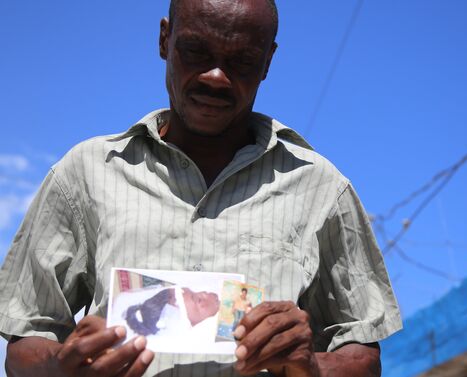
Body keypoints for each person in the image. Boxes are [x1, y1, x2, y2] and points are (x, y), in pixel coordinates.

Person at [0, 0, 402, 376]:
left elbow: (362, 356)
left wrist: (309, 366)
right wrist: (59, 365)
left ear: (267, 62)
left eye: (242, 61)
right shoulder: (85, 172)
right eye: (195, 52)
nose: (215, 77)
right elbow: (24, 341)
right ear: (164, 40)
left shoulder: (322, 188)